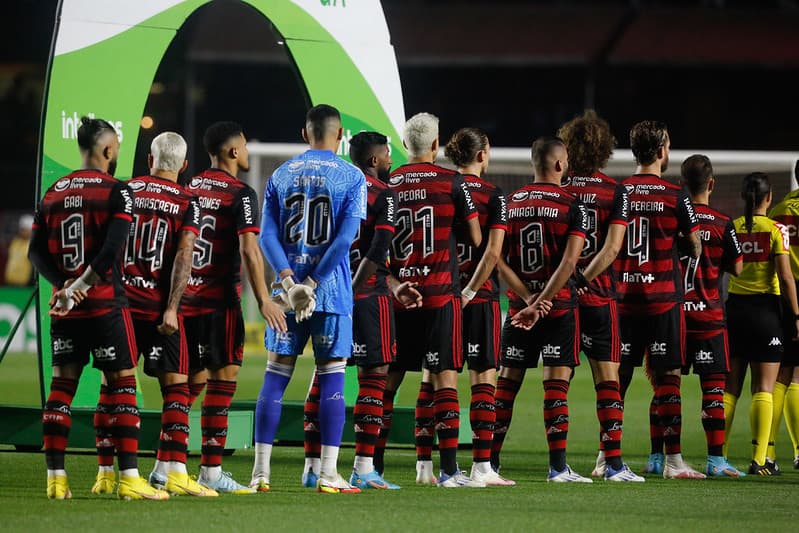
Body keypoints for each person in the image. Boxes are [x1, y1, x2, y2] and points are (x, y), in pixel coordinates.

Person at [28, 116, 168, 500]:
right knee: (122, 384)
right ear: (107, 149)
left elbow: (35, 253)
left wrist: (63, 286)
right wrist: (80, 287)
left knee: (61, 388)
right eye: (116, 148)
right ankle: (129, 478)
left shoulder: (53, 191)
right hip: (105, 305)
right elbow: (111, 251)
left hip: (66, 309)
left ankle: (56, 479)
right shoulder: (117, 191)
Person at [253, 104, 366, 494]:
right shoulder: (352, 176)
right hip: (329, 295)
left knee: (275, 377)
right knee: (332, 378)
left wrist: (289, 283)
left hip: (287, 298)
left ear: (305, 133)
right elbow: (345, 239)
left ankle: (261, 473)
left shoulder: (281, 174)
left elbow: (267, 237)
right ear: (340, 134)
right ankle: (328, 473)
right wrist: (313, 284)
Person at [300, 131, 422, 490]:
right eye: (387, 155)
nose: (391, 160)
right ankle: (364, 468)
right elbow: (378, 250)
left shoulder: (333, 187)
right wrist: (351, 293)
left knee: (324, 375)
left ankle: (312, 468)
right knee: (374, 376)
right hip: (366, 297)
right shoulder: (383, 193)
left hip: (325, 294)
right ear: (373, 160)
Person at [96, 131, 215, 497]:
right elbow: (184, 254)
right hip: (159, 310)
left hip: (120, 307)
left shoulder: (125, 191)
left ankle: (105, 474)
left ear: (149, 159)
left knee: (111, 388)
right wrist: (172, 309)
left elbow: (105, 247)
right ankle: (175, 471)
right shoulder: (187, 201)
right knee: (176, 388)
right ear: (184, 165)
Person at [180, 121, 286, 494]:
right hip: (218, 303)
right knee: (222, 380)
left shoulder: (190, 187)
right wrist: (264, 299)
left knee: (187, 385)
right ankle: (210, 472)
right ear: (233, 151)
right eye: (244, 145)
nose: (247, 151)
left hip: (184, 302)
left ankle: (168, 465)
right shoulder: (240, 194)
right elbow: (249, 250)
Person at [386, 112, 483, 488]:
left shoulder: (390, 181)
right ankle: (449, 471)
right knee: (444, 380)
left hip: (399, 296)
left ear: (405, 145)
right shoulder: (452, 182)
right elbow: (475, 237)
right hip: (440, 295)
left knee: (387, 382)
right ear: (435, 145)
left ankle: (371, 465)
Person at [613, 120, 705, 479]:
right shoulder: (676, 195)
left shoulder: (620, 190)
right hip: (663, 299)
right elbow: (695, 245)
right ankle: (673, 462)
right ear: (662, 150)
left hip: (623, 299)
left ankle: (608, 458)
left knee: (616, 379)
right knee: (668, 379)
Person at [494, 137, 589, 482]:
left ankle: (489, 463)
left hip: (519, 309)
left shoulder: (510, 202)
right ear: (561, 164)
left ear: (534, 164)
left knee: (506, 385)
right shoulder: (573, 205)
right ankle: (558, 467)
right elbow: (569, 262)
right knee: (556, 385)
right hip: (558, 308)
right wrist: (543, 301)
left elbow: (496, 259)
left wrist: (527, 299)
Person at [556, 111, 643, 482]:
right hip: (599, 297)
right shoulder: (615, 191)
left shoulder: (558, 189)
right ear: (605, 149)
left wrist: (567, 281)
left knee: (556, 381)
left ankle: (552, 465)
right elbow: (611, 249)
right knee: (608, 381)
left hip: (559, 297)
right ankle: (611, 464)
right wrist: (584, 279)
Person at [443, 127, 514, 486]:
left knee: (437, 376)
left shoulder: (443, 188)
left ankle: (431, 466)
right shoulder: (493, 194)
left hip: (442, 294)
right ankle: (482, 466)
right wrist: (471, 290)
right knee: (484, 377)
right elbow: (493, 252)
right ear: (482, 154)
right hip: (479, 295)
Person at [724, 172, 799, 475]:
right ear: (768, 197)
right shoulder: (775, 229)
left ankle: (719, 456)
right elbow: (785, 277)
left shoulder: (731, 227)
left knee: (730, 388)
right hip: (766, 313)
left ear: (743, 196)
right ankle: (759, 460)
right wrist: (796, 315)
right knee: (765, 386)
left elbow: (728, 268)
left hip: (734, 310)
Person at [677, 155, 744, 477]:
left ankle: (658, 457)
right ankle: (716, 460)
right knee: (714, 390)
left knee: (667, 387)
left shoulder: (674, 221)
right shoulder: (722, 222)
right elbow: (739, 268)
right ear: (712, 184)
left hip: (675, 317)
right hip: (709, 317)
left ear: (682, 185)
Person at [765, 159, 799, 470]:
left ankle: (767, 451)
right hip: (795, 296)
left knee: (782, 374)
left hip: (782, 298)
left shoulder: (778, 211)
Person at [4, 213, 34, 286]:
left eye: (25, 229)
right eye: (22, 229)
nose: (23, 231)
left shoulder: (33, 245)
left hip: (24, 284)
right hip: (9, 282)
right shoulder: (15, 242)